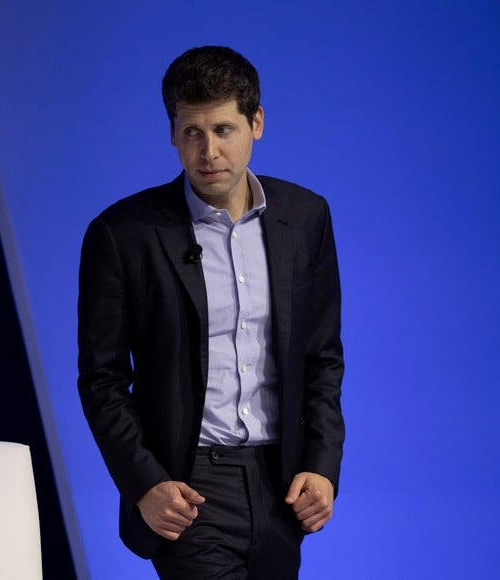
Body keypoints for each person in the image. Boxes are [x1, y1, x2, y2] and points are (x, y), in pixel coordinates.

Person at [77, 45, 345, 579]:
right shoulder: (123, 233)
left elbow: (321, 357)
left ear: (257, 123)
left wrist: (322, 466)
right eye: (191, 133)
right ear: (172, 133)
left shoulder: (306, 217)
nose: (208, 152)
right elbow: (102, 379)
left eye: (224, 130)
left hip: (281, 483)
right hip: (188, 485)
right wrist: (145, 483)